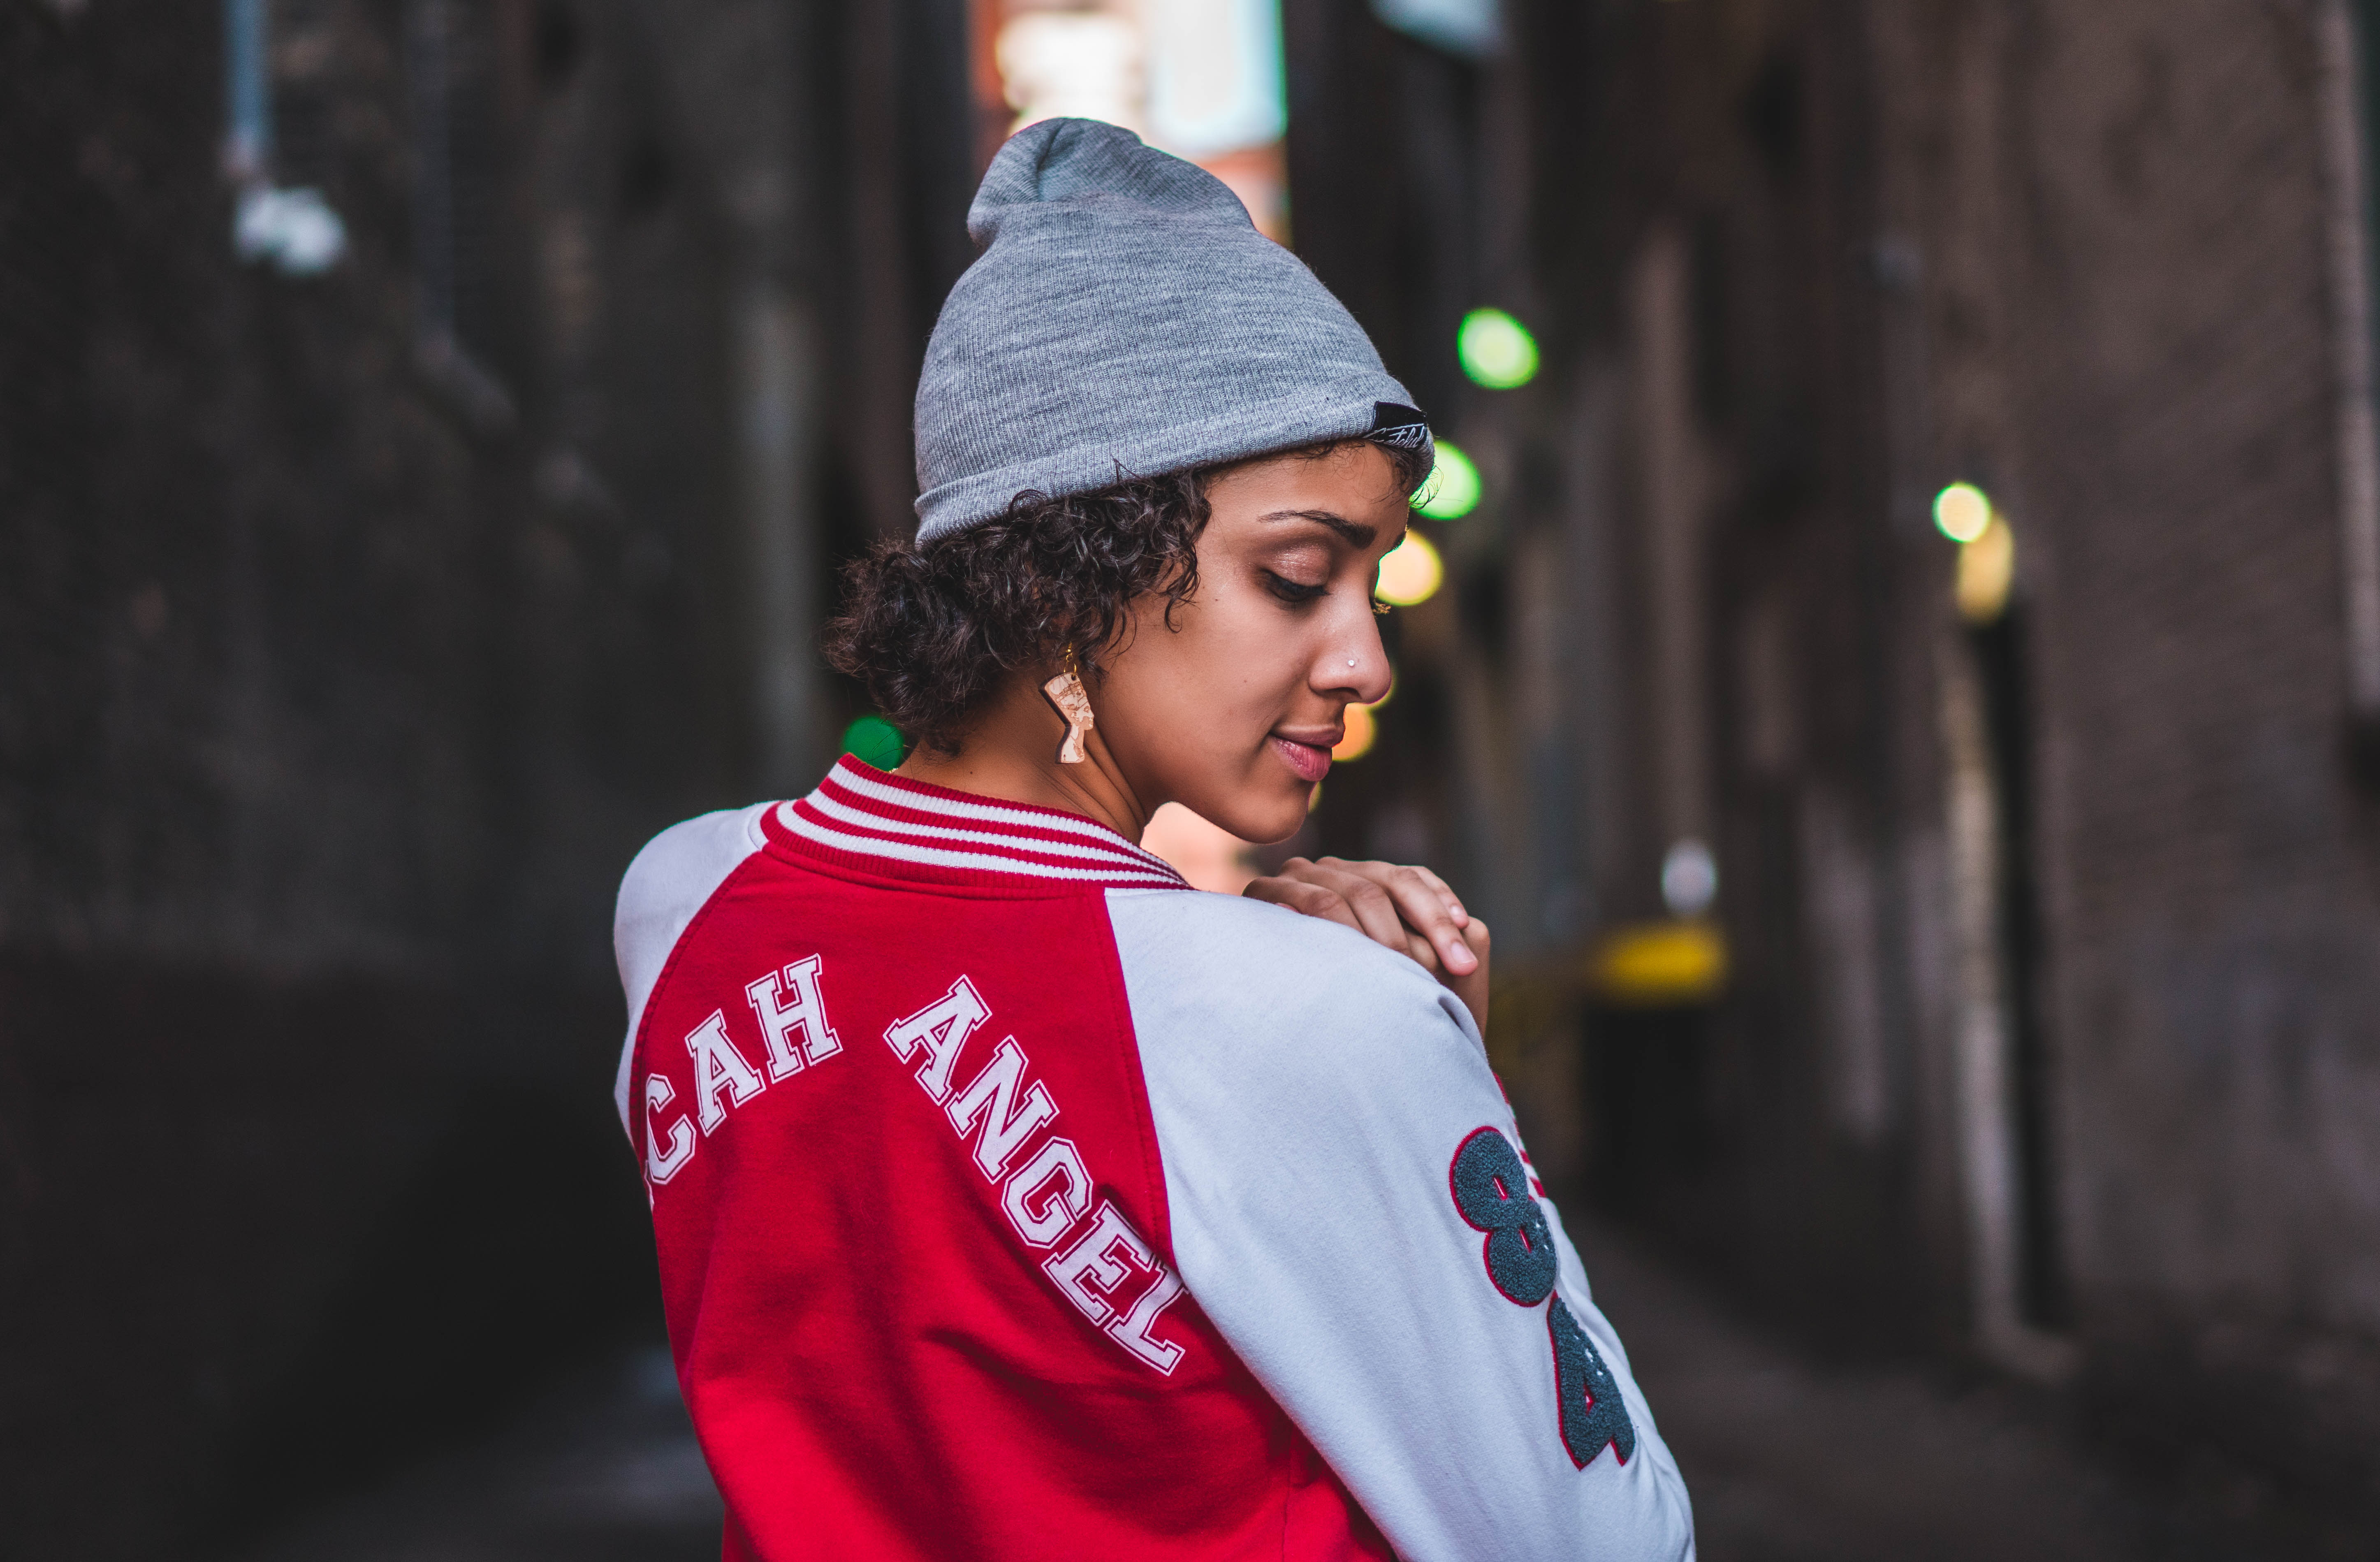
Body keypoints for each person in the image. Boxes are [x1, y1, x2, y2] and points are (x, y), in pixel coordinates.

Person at [613, 117, 1694, 1561]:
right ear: (1069, 574)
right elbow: (1605, 1539)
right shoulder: (1312, 1022)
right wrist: (1444, 1085)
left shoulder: (685, 905)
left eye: (1370, 583)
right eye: (1298, 575)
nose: (1366, 660)